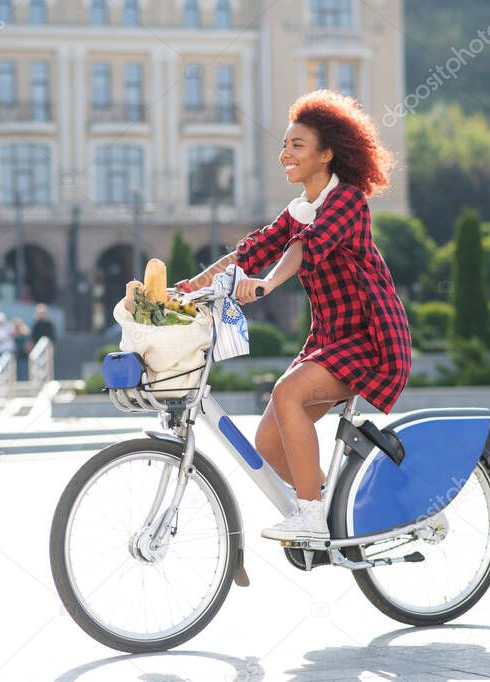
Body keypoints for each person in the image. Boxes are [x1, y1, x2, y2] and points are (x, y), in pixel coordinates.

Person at [176, 89, 412, 545]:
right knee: (267, 442)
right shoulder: (298, 209)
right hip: (328, 341)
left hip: (369, 338)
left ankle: (311, 514)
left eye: (297, 145)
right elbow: (252, 250)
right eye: (284, 145)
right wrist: (187, 288)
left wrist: (266, 284)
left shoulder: (347, 201)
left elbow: (303, 247)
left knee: (287, 394)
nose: (285, 154)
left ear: (327, 154)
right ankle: (333, 507)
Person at [12, 317, 32, 381]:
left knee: (23, 372)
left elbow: (27, 346)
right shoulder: (13, 334)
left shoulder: (24, 335)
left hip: (23, 356)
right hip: (16, 356)